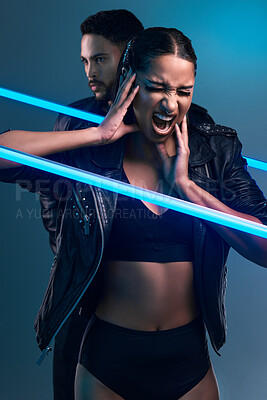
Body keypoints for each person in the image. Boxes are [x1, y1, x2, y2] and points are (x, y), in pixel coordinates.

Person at [1, 26, 266, 399]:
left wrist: (190, 191)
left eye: (183, 91)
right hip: (108, 365)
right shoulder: (89, 156)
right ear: (129, 83)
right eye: (157, 87)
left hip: (189, 364)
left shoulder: (214, 152)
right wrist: (96, 135)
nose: (170, 104)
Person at [40, 9, 214, 400]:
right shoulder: (77, 123)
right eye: (85, 61)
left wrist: (188, 189)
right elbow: (53, 207)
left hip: (186, 354)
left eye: (100, 59)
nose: (91, 71)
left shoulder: (200, 134)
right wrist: (72, 251)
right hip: (101, 341)